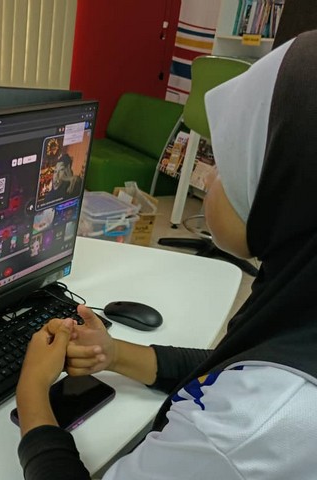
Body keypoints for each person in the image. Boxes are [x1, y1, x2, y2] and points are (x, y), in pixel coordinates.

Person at [16, 30, 317, 479]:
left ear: (283, 188)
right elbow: (224, 371)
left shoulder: (248, 431)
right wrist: (113, 353)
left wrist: (32, 392)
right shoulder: (300, 311)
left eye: (225, 164)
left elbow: (237, 401)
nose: (208, 180)